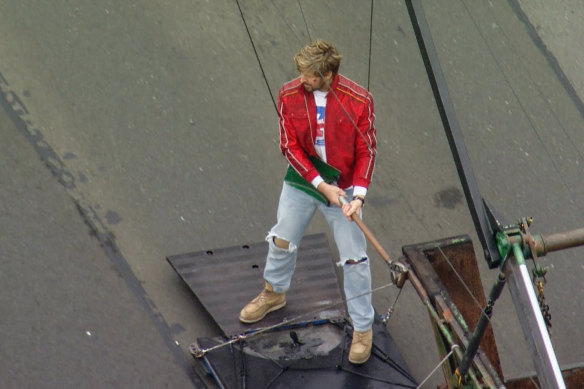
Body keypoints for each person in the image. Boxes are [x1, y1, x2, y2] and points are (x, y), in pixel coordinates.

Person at [239, 39, 376, 364]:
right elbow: (289, 146)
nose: (302, 80)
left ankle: (363, 327)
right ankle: (274, 292)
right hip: (304, 181)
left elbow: (366, 150)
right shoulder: (288, 94)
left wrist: (358, 196)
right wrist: (319, 185)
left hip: (342, 188)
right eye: (301, 73)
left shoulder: (359, 100)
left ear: (328, 74)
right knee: (282, 238)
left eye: (309, 76)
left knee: (355, 259)